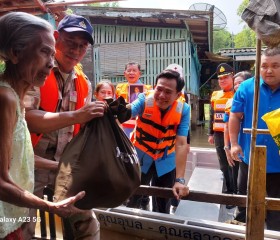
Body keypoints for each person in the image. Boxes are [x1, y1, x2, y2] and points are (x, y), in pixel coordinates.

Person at [0, 12, 85, 240]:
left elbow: (19, 156)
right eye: (44, 51)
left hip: (11, 216)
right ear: (16, 53)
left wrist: (60, 167)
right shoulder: (5, 98)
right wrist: (50, 207)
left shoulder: (17, 97)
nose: (50, 62)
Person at [24, 14, 106, 239]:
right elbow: (27, 116)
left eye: (82, 46)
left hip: (65, 168)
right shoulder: (37, 71)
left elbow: (84, 128)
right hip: (32, 167)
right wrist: (76, 115)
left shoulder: (84, 83)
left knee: (87, 223)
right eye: (71, 43)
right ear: (56, 38)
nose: (75, 51)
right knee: (28, 227)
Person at [229, 47, 280, 230]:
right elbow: (235, 116)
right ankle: (240, 230)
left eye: (275, 66)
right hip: (249, 157)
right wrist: (233, 144)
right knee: (245, 200)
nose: (269, 70)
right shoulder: (247, 86)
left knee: (276, 208)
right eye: (264, 66)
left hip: (278, 163)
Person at [126, 69, 190, 214]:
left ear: (178, 95)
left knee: (162, 205)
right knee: (132, 200)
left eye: (168, 92)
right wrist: (119, 110)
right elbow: (129, 110)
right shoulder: (144, 99)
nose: (161, 96)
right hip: (141, 158)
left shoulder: (184, 110)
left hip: (166, 160)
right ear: (154, 87)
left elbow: (181, 143)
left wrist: (180, 180)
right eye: (159, 89)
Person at [208, 63, 235, 198]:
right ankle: (228, 188)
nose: (222, 80)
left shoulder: (237, 93)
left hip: (234, 135)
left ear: (232, 77)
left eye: (225, 77)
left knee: (233, 164)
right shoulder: (215, 95)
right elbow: (212, 114)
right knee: (223, 164)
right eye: (220, 78)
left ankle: (234, 191)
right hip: (219, 134)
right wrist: (210, 133)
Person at [223, 71, 252, 190]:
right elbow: (226, 126)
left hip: (248, 144)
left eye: (240, 82)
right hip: (236, 143)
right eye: (235, 84)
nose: (237, 86)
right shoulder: (231, 102)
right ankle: (234, 197)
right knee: (236, 172)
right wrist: (227, 147)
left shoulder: (254, 99)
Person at [116, 62, 152, 137]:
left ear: (139, 73)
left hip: (140, 126)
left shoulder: (148, 89)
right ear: (124, 73)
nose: (131, 73)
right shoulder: (119, 88)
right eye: (129, 70)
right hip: (123, 125)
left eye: (134, 70)